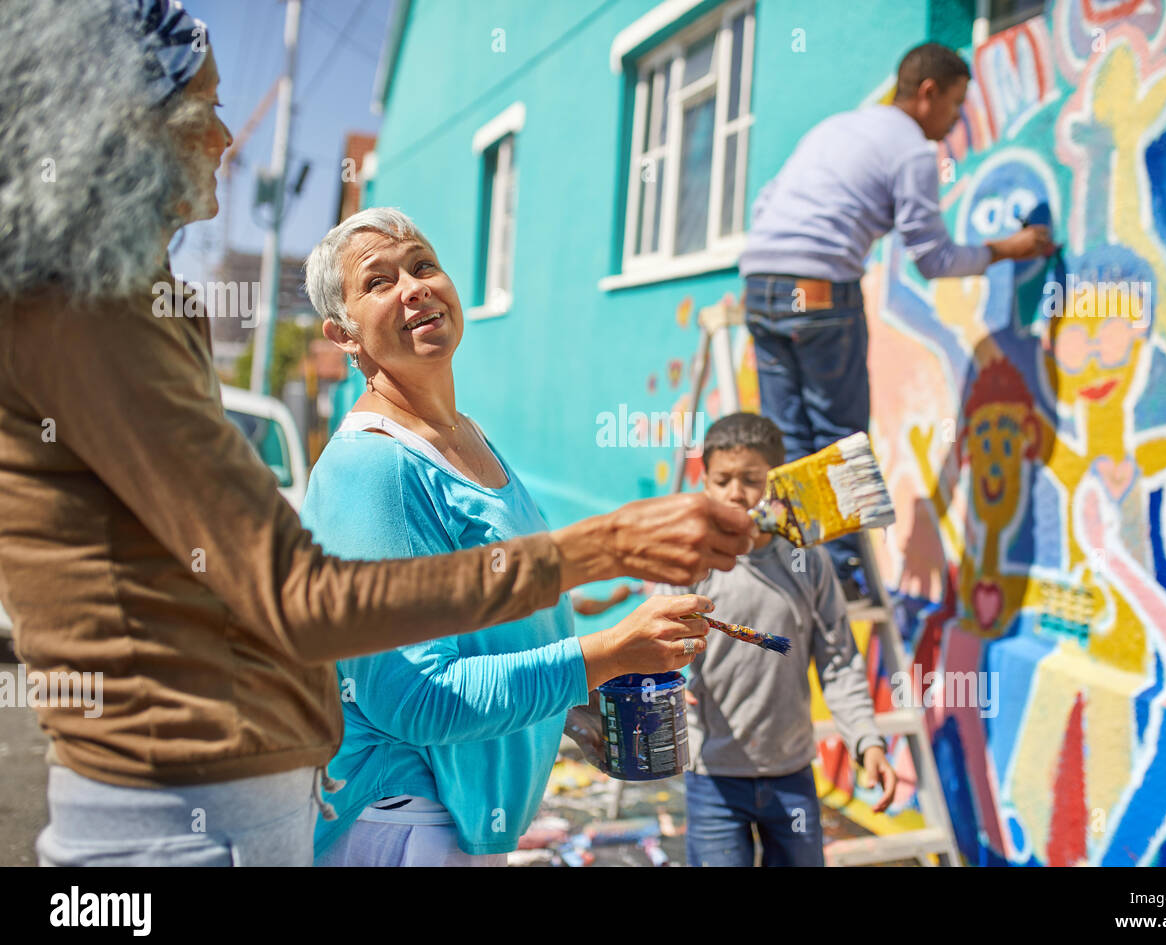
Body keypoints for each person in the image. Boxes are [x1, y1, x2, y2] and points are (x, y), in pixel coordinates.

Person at [0, 0, 753, 867]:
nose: (222, 138)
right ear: (116, 126)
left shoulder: (139, 301)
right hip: (194, 819)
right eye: (199, 110)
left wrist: (565, 692)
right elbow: (314, 607)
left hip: (244, 806)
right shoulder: (89, 316)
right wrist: (609, 551)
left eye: (425, 264)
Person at [300, 208, 716, 866]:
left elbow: (490, 628)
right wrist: (602, 655)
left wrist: (567, 710)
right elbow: (412, 697)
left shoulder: (467, 438)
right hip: (397, 820)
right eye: (378, 282)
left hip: (454, 817)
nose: (413, 287)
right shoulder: (371, 466)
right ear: (343, 334)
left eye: (423, 265)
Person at [738, 41, 1056, 599]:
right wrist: (1011, 248)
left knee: (789, 432)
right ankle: (838, 575)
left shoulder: (836, 128)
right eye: (955, 104)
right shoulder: (911, 151)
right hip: (815, 291)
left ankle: (794, 565)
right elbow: (932, 259)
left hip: (760, 285)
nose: (957, 121)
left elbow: (767, 202)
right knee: (839, 439)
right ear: (927, 93)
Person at [655, 413, 899, 866]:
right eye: (723, 479)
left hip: (792, 776)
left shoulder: (808, 564)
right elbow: (655, 648)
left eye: (751, 480)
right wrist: (666, 676)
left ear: (777, 483)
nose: (736, 493)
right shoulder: (688, 566)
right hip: (714, 779)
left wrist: (867, 742)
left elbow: (839, 662)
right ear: (704, 482)